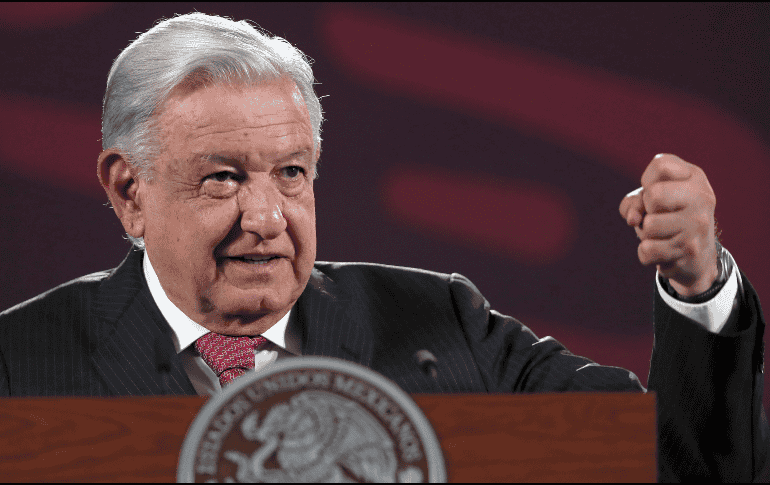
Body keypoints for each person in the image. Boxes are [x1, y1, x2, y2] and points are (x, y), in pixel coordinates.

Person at [0, 12, 766, 481]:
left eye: (292, 174)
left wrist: (698, 286)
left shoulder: (441, 321)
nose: (266, 216)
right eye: (224, 178)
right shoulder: (22, 363)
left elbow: (675, 466)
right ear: (129, 191)